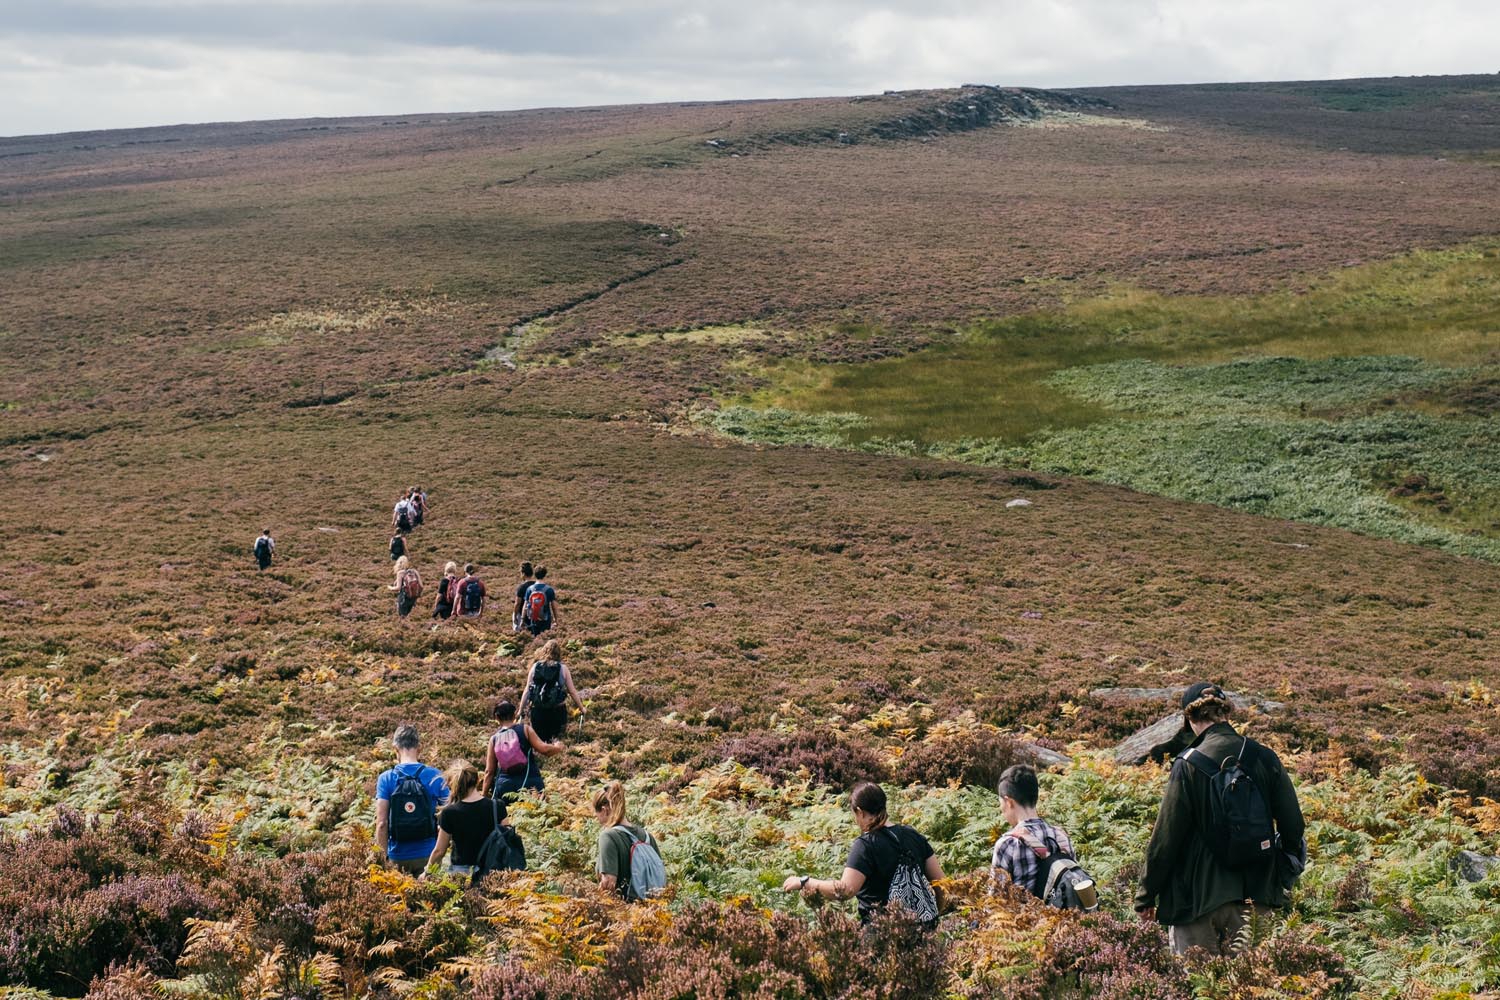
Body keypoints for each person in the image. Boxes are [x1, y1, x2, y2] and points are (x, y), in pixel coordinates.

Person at [1135, 682, 1306, 957]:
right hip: (1256, 898)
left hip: (1197, 902)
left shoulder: (1188, 764)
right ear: (1226, 713)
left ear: (1189, 719)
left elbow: (1166, 839)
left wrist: (1146, 896)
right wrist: (1282, 871)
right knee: (1254, 986)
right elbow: (1293, 826)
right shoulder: (1264, 756)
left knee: (1198, 986)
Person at [782, 782, 945, 925]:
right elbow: (942, 884)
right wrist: (934, 914)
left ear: (860, 812)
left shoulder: (865, 845)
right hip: (922, 930)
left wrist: (804, 882)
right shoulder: (913, 835)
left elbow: (845, 890)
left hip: (882, 933)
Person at [991, 764, 1083, 900]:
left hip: (1022, 920)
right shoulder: (1061, 836)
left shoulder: (1008, 844)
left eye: (1001, 804)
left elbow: (995, 902)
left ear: (1008, 802)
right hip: (1064, 919)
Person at [375, 724, 450, 874]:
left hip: (397, 855)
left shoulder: (386, 778)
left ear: (395, 748)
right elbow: (448, 818)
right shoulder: (436, 776)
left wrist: (382, 862)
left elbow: (382, 823)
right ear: (419, 747)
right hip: (428, 854)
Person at [425, 759, 504, 881]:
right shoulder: (497, 806)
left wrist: (427, 873)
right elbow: (508, 837)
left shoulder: (449, 813)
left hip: (461, 874)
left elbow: (439, 851)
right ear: (477, 780)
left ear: (453, 785)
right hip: (492, 872)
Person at [593, 780, 665, 901]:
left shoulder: (608, 836)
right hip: (652, 911)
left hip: (625, 914)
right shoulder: (647, 836)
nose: (598, 821)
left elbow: (609, 884)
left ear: (605, 809)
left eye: (597, 815)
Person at [481, 699, 564, 801]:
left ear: (497, 718)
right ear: (514, 714)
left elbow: (489, 771)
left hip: (504, 786)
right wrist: (557, 747)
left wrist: (484, 795)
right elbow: (545, 750)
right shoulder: (525, 729)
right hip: (530, 784)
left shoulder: (494, 739)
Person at [518, 639, 585, 743]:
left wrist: (520, 710)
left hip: (538, 711)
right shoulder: (563, 669)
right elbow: (572, 691)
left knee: (539, 742)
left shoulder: (535, 667)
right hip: (557, 711)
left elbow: (527, 690)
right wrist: (581, 708)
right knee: (556, 741)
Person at [520, 566, 558, 636]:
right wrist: (556, 619)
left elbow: (525, 606)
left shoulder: (530, 589)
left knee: (535, 638)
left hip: (533, 618)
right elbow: (554, 607)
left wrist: (522, 620)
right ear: (545, 575)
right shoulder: (549, 590)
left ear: (535, 574)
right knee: (545, 637)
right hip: (546, 619)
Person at [511, 562, 536, 633]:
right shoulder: (536, 585)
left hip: (524, 615)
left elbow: (517, 604)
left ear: (523, 574)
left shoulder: (521, 587)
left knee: (514, 616)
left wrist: (515, 616)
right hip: (536, 613)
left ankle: (517, 633)